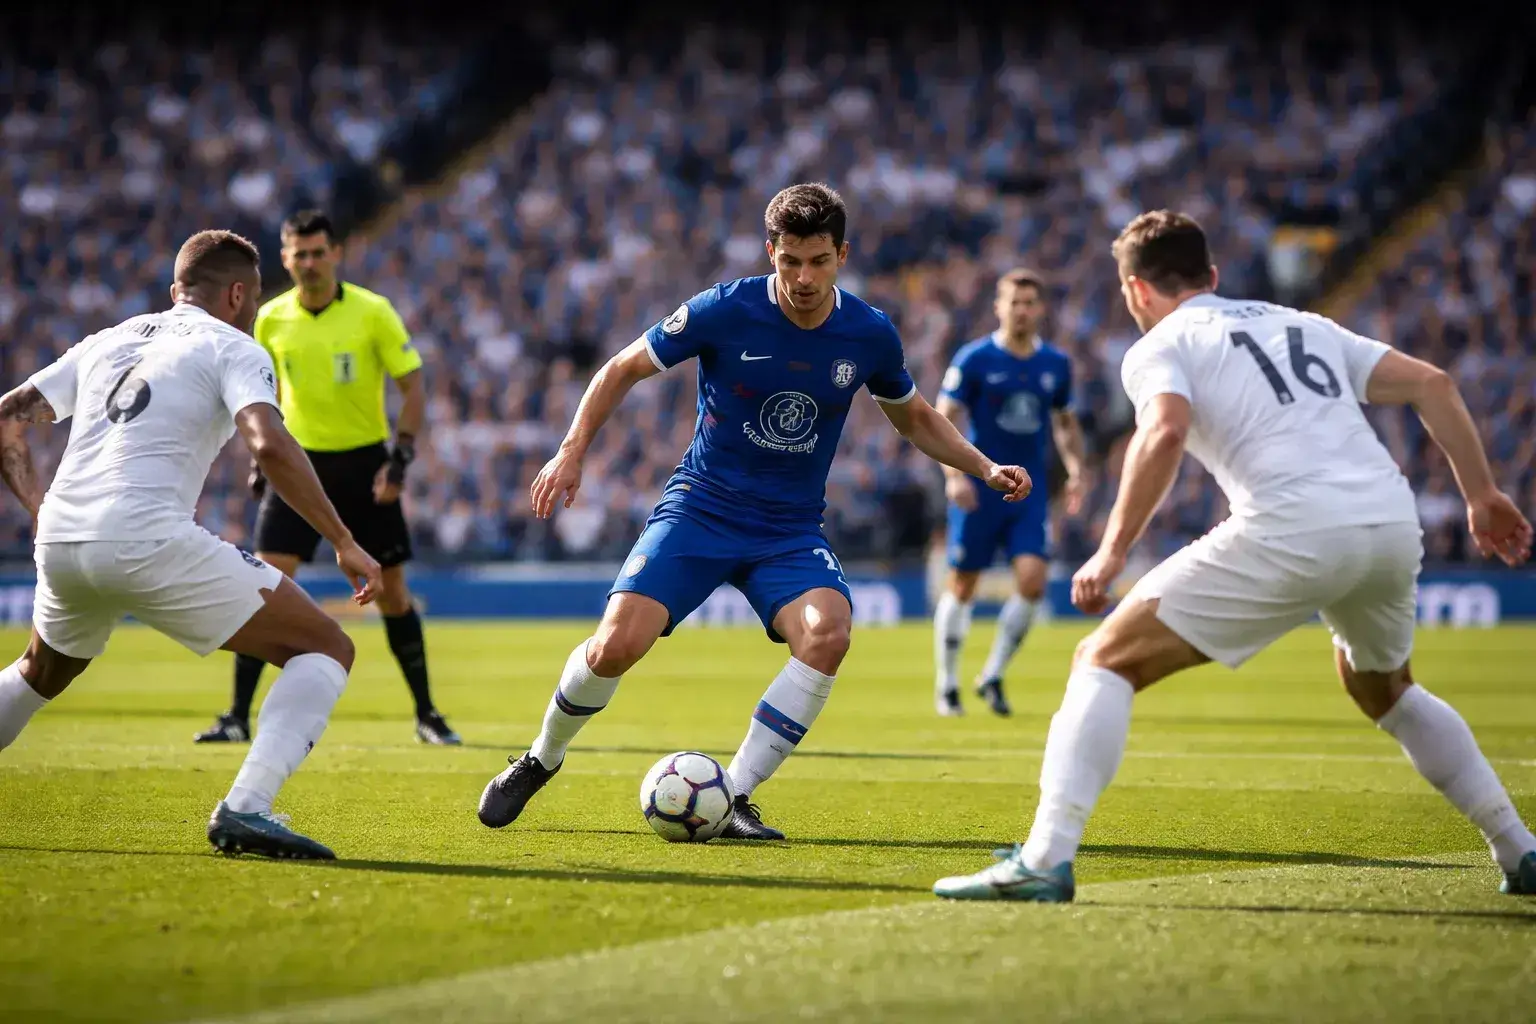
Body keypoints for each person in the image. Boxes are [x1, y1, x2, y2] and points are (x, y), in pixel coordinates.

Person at [933, 210, 1536, 901]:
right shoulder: (1307, 324)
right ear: (1213, 277)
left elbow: (1162, 433)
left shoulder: (1162, 342)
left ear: (1134, 291)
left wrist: (1109, 551)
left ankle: (1043, 858)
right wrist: (1482, 495)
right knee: (1384, 687)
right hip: (1390, 520)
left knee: (1103, 658)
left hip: (1295, 523)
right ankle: (1519, 850)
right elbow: (1435, 384)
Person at [477, 183, 1031, 840]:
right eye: (789, 260)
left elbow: (913, 416)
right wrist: (570, 452)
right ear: (771, 251)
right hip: (701, 510)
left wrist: (982, 466)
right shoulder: (724, 309)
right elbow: (622, 368)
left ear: (841, 256)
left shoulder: (869, 333)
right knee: (613, 646)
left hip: (788, 530)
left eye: (818, 261)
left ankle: (734, 793)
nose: (802, 277)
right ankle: (541, 758)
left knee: (828, 635)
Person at [0, 230, 383, 860]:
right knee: (325, 646)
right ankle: (247, 809)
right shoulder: (233, 345)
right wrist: (342, 539)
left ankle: (247, 808)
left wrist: (38, 510)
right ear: (238, 294)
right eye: (255, 298)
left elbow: (10, 413)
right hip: (146, 536)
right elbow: (268, 444)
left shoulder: (107, 338)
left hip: (64, 538)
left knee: (41, 672)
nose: (256, 310)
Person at [193, 210, 459, 747]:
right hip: (298, 466)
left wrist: (399, 460)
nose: (310, 263)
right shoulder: (270, 319)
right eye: (299, 254)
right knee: (262, 586)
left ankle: (427, 714)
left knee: (392, 594)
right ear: (285, 259)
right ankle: (237, 716)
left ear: (336, 253)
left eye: (319, 252)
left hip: (365, 468)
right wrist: (257, 460)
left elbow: (413, 386)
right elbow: (258, 396)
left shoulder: (372, 312)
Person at [932, 269, 1087, 717]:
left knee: (1033, 582)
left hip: (1029, 491)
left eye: (1029, 303)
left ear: (1040, 309)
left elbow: (1065, 423)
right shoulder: (975, 358)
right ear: (999, 307)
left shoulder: (1055, 364)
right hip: (980, 487)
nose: (1021, 310)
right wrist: (954, 475)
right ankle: (948, 684)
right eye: (1013, 302)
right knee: (963, 585)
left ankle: (993, 673)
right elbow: (944, 419)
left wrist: (1076, 470)